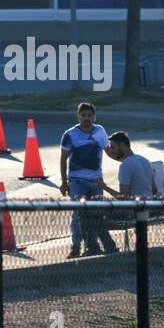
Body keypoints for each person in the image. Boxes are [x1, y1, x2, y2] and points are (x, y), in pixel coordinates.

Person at [59, 102, 118, 258]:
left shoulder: (100, 131)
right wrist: (64, 182)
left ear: (94, 116)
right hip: (76, 181)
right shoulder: (70, 134)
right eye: (83, 115)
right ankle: (76, 247)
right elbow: (63, 159)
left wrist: (125, 158)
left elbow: (108, 152)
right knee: (78, 215)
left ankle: (95, 246)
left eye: (89, 115)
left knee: (96, 214)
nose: (86, 118)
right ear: (78, 116)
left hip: (96, 181)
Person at [102, 131, 159, 199]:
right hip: (149, 205)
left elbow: (123, 197)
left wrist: (104, 187)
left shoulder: (125, 165)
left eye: (113, 147)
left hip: (136, 207)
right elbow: (154, 190)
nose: (111, 150)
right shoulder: (145, 160)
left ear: (122, 145)